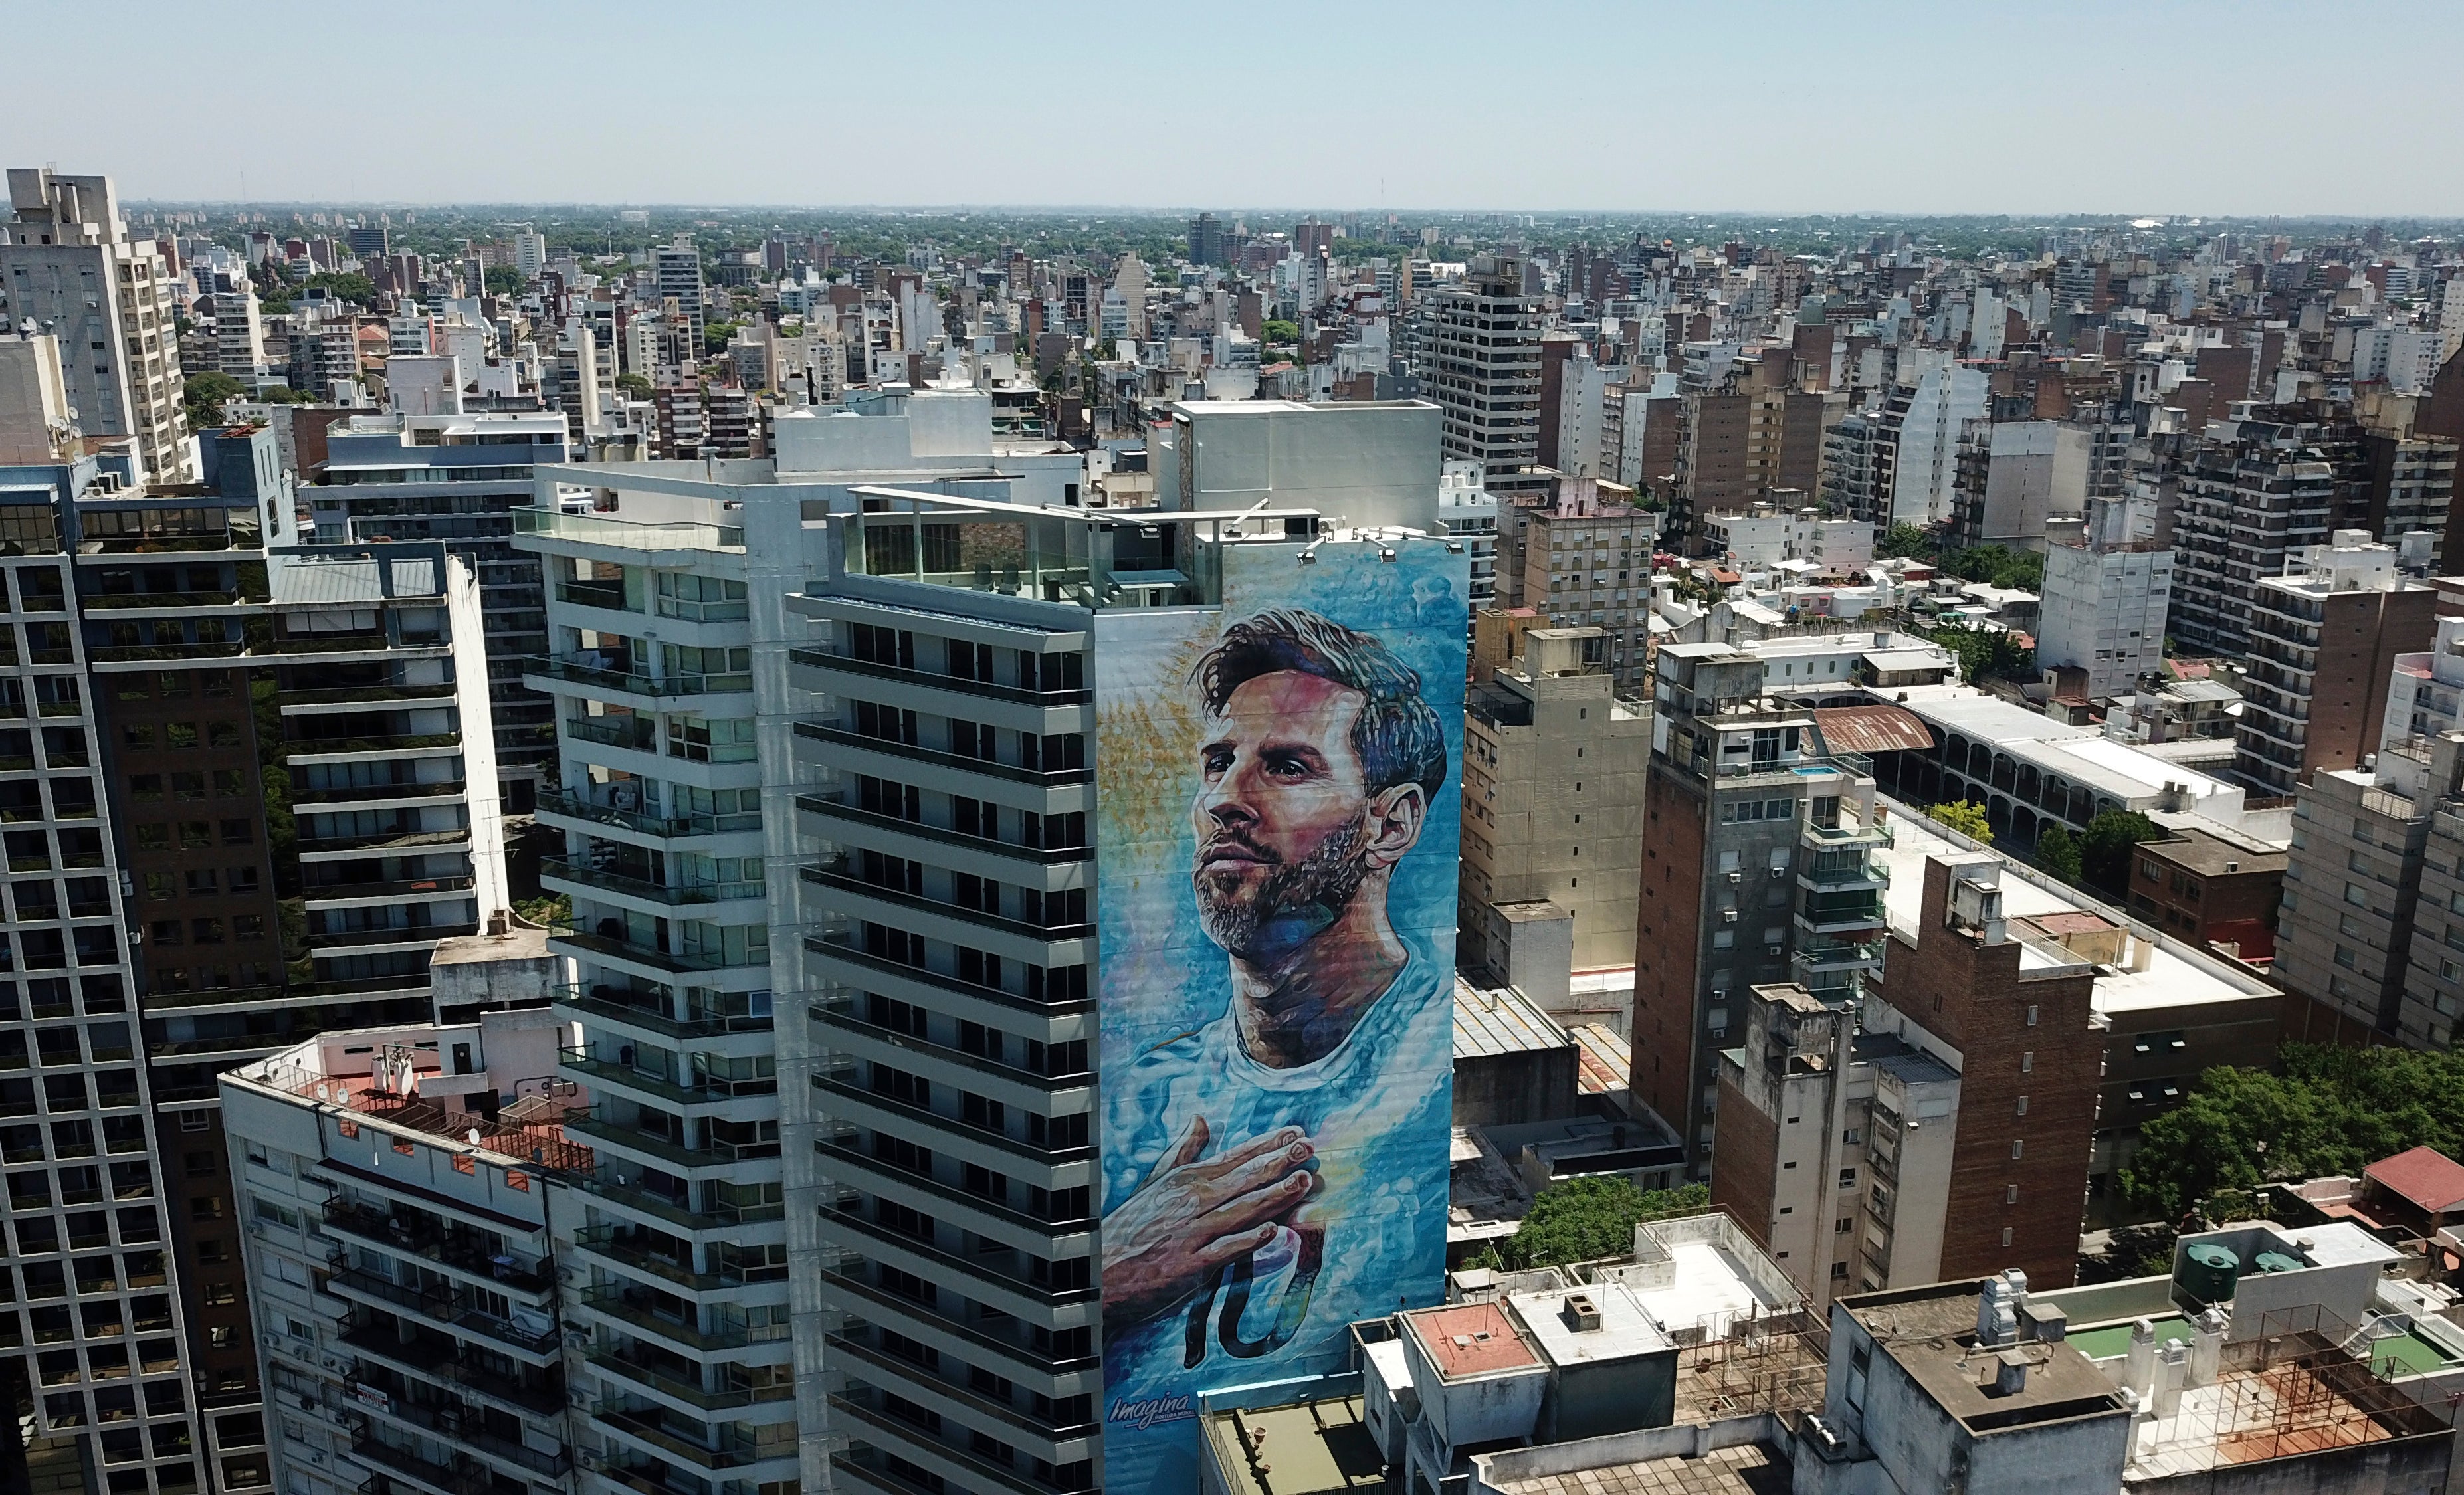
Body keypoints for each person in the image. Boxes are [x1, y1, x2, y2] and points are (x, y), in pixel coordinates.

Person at [1102, 607, 1453, 1381]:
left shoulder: (1433, 1075)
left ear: (1390, 825)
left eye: (1288, 766)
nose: (1225, 797)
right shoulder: (1134, 1098)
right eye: (1217, 762)